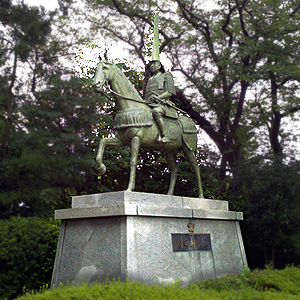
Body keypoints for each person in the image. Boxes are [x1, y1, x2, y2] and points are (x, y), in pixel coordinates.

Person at [144, 60, 177, 142]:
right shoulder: (149, 80)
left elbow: (170, 92)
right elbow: (146, 96)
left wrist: (158, 97)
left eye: (154, 64)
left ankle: (164, 135)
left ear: (159, 66)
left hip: (163, 104)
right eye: (151, 65)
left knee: (156, 111)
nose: (152, 66)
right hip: (149, 104)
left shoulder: (166, 76)